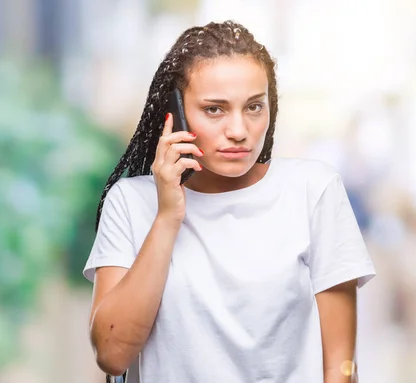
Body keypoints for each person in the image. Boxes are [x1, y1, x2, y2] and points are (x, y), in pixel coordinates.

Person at [83, 20, 376, 383]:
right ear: (175, 113)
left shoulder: (313, 190)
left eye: (254, 107)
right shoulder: (131, 202)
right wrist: (167, 217)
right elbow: (112, 354)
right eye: (214, 109)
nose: (239, 131)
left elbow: (340, 365)